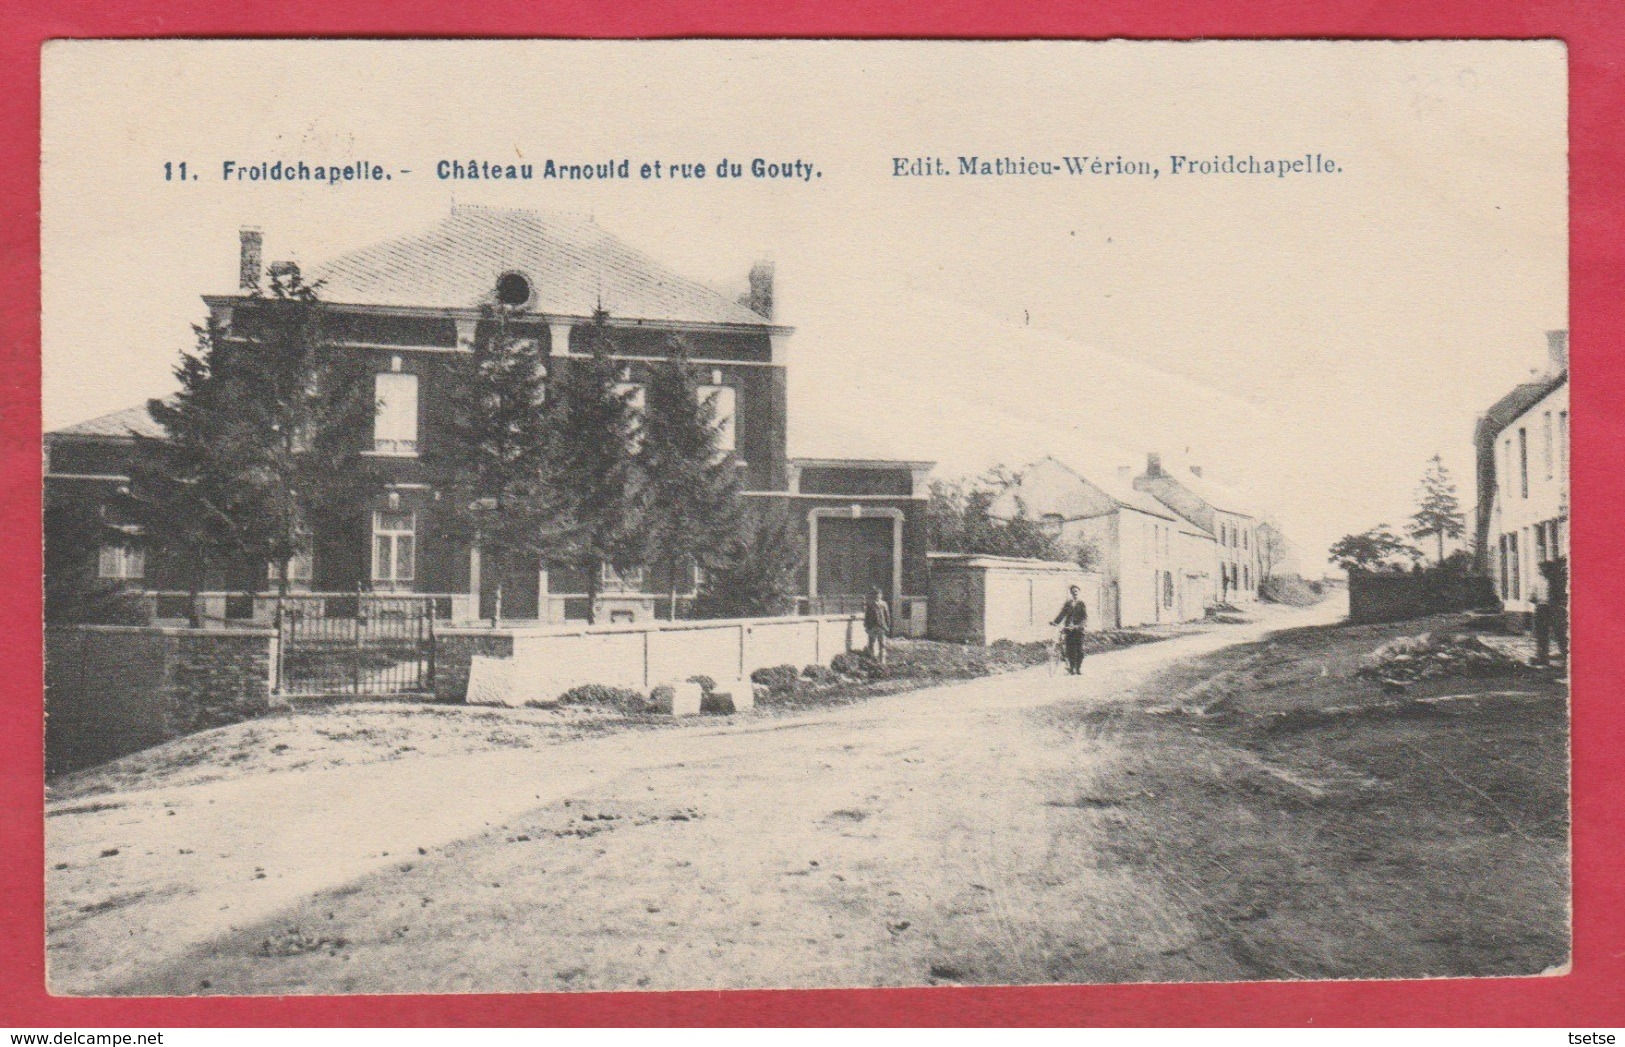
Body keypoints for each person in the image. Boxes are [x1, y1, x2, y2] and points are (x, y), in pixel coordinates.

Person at [1532, 557, 1569, 667]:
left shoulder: (1556, 581)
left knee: (1560, 634)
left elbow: (1562, 595)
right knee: (1541, 635)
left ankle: (1566, 657)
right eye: (1541, 569)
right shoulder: (1537, 581)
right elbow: (1532, 596)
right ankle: (1543, 659)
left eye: (1545, 569)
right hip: (1541, 608)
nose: (1543, 571)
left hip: (1554, 609)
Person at [1051, 584, 1089, 675]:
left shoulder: (1081, 604)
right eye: (1073, 591)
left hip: (1079, 629)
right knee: (1070, 649)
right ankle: (1072, 669)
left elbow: (1084, 617)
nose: (1075, 592)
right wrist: (1055, 622)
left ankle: (1078, 669)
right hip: (1069, 629)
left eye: (1076, 591)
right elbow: (1062, 614)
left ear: (1079, 592)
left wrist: (1079, 625)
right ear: (1071, 593)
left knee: (1079, 650)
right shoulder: (1068, 604)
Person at [864, 587, 891, 665]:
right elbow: (867, 616)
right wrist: (866, 626)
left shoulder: (884, 604)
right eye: (875, 595)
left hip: (881, 627)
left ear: (881, 595)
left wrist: (888, 626)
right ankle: (873, 661)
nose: (877, 596)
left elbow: (887, 616)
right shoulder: (870, 604)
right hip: (872, 627)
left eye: (878, 595)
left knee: (882, 644)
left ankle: (882, 662)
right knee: (871, 644)